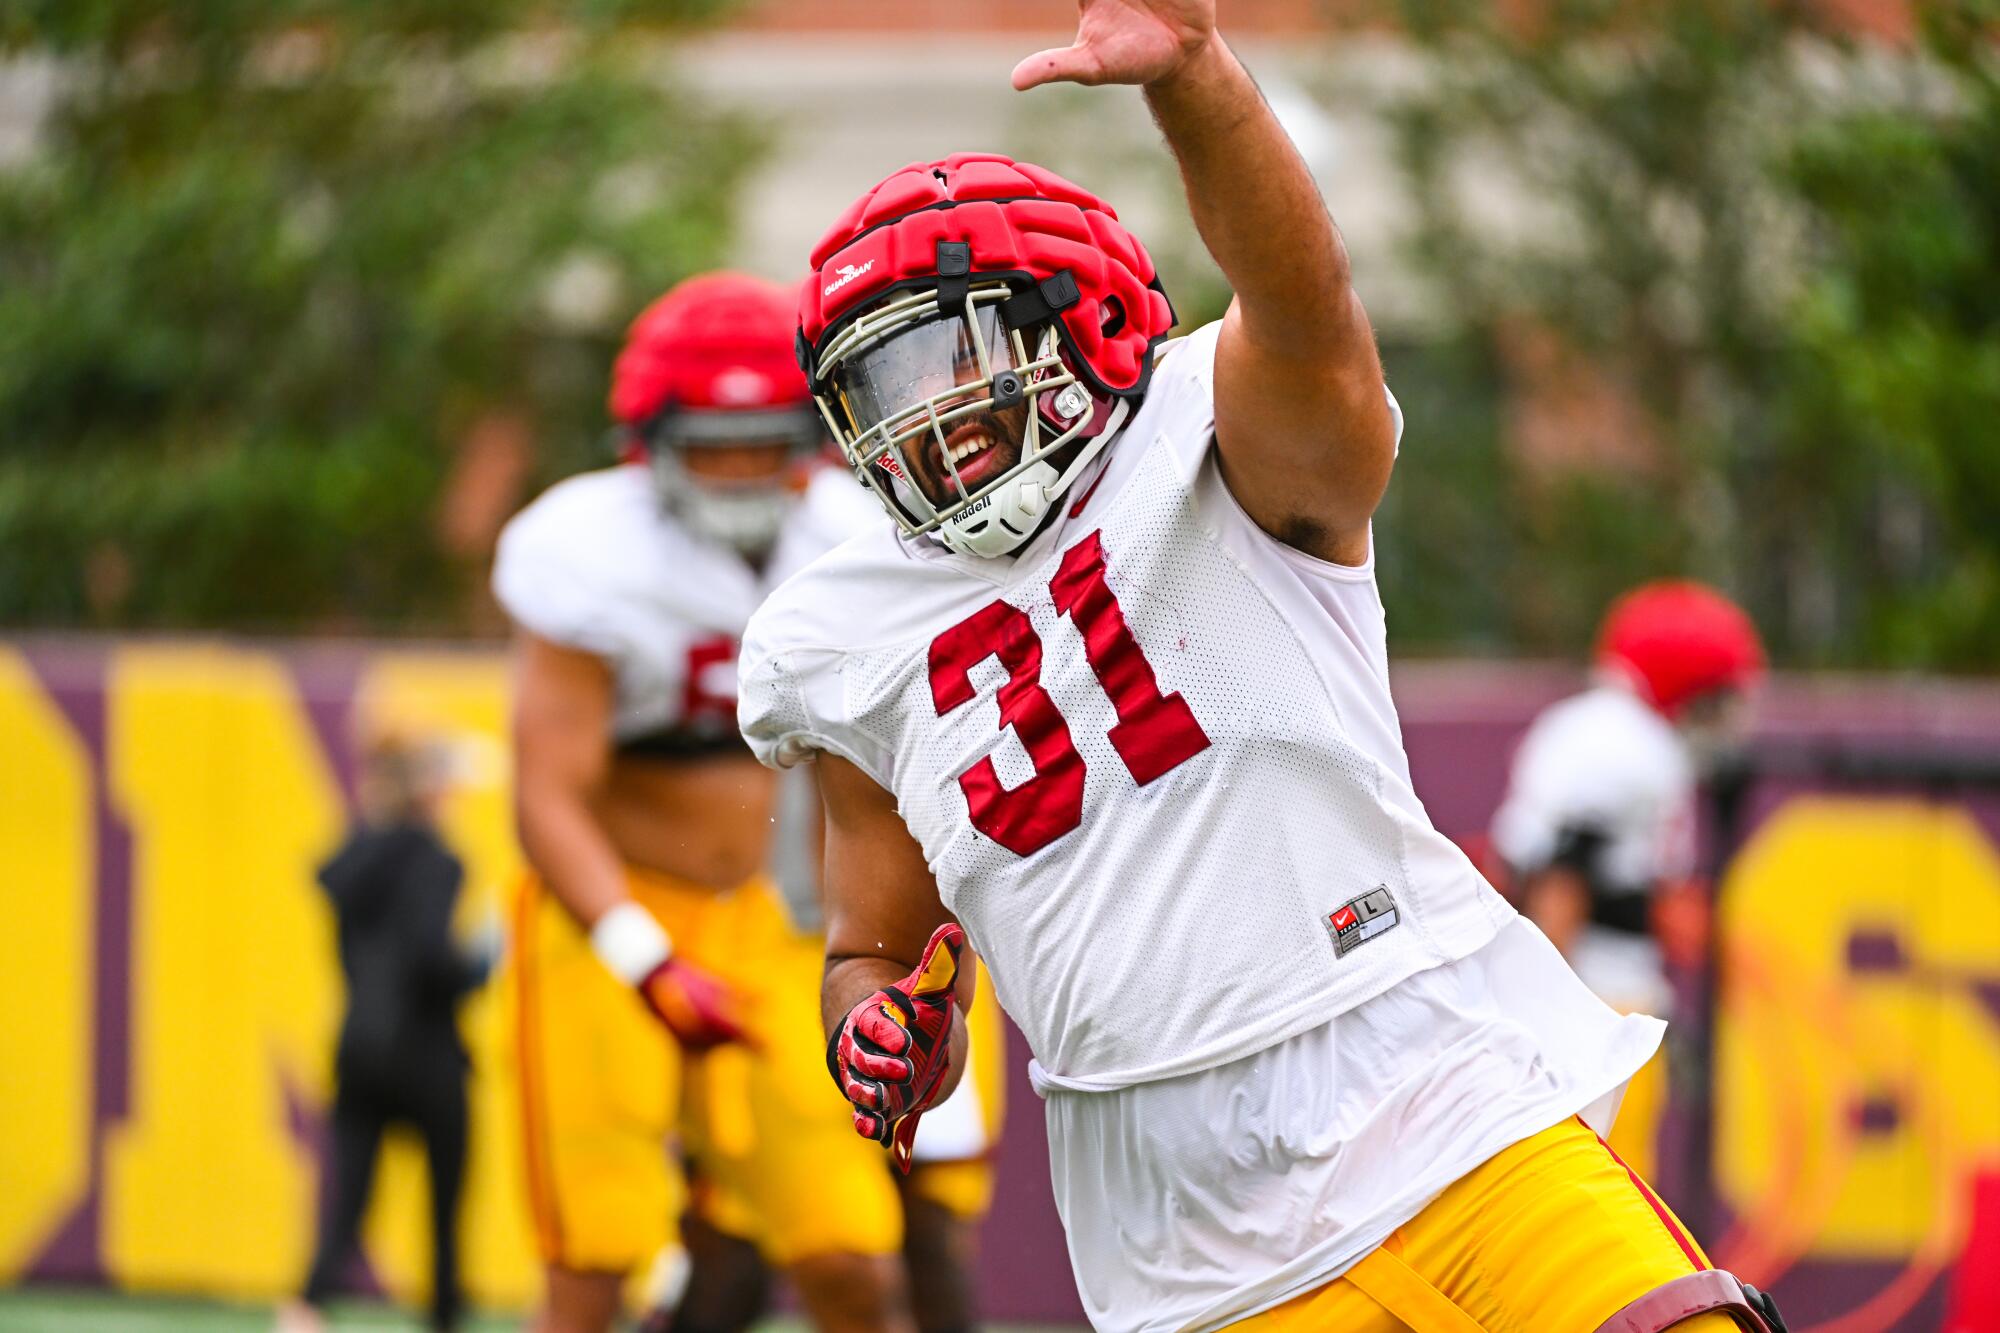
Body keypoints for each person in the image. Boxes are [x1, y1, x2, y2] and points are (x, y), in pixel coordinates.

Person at [737, 3, 1789, 1330]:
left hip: (1431, 1089)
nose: (925, 416)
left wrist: (1196, 79)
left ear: (1083, 323)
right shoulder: (843, 630)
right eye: (879, 386)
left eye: (956, 354)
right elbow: (871, 944)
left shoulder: (1215, 442)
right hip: (1185, 1223)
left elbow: (1302, 305)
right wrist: (878, 1025)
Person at [494, 272, 917, 1333]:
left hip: (773, 921)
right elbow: (547, 792)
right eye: (711, 445)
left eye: (762, 441)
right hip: (612, 921)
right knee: (593, 1263)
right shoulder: (588, 551)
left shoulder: (852, 533)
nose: (737, 470)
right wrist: (642, 954)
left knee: (850, 1253)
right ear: (649, 441)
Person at [1490, 581, 1765, 1177]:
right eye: (1715, 695)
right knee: (1609, 1189)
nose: (1723, 715)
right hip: (1599, 1009)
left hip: (1601, 1003)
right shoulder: (1623, 748)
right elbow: (1562, 882)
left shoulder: (1606, 733)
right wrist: (1540, 1017)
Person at [280, 731, 490, 1333]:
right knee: (444, 1210)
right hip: (428, 1056)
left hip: (360, 1048)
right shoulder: (437, 860)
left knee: (347, 1202)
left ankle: (302, 1312)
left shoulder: (355, 860)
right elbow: (431, 958)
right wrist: (477, 966)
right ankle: (444, 1317)